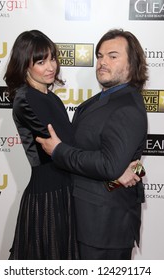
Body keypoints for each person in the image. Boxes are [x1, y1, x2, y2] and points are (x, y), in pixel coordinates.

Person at [36, 29, 148, 260]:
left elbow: (109, 165)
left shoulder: (126, 106)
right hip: (85, 221)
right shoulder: (98, 101)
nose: (102, 62)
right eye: (99, 56)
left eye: (113, 56)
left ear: (132, 63)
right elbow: (113, 162)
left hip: (104, 228)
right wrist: (124, 170)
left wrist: (58, 151)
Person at [3, 30, 79, 260]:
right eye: (41, 61)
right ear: (25, 64)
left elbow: (68, 145)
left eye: (52, 58)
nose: (50, 67)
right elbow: (67, 142)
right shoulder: (26, 98)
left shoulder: (51, 97)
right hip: (48, 195)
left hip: (64, 189)